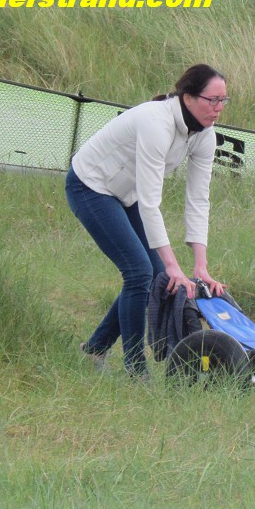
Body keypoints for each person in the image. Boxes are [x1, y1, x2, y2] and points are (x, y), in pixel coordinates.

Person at [65, 64, 228, 379]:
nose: (219, 108)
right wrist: (172, 265)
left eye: (224, 100)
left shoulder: (205, 135)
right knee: (140, 272)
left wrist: (200, 266)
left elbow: (198, 199)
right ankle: (136, 367)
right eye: (213, 100)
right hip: (90, 186)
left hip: (128, 194)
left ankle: (95, 348)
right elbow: (151, 202)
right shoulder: (157, 123)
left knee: (155, 277)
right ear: (189, 97)